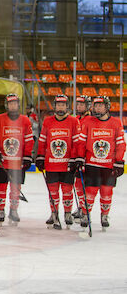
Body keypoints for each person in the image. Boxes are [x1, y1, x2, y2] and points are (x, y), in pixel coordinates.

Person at [76, 96, 125, 230]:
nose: (97, 108)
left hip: (108, 165)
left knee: (106, 191)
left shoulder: (116, 122)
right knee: (90, 191)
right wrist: (80, 157)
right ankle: (85, 214)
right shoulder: (88, 122)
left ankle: (104, 215)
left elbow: (120, 143)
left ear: (107, 107)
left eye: (100, 106)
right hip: (92, 163)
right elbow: (81, 142)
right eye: (95, 106)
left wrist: (119, 161)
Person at [35, 94, 81, 229]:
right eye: (58, 105)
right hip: (51, 164)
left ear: (67, 106)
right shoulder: (48, 121)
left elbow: (76, 142)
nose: (61, 107)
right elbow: (42, 141)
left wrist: (74, 158)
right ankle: (54, 213)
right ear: (54, 106)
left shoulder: (73, 121)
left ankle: (67, 213)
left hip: (67, 164)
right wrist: (40, 157)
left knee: (67, 191)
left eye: (63, 105)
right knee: (53, 191)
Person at [0, 93, 34, 226]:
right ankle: (0, 210)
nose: (13, 105)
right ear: (6, 105)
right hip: (1, 161)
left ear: (18, 105)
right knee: (0, 187)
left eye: (15, 103)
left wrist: (27, 156)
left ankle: (13, 210)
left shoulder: (25, 120)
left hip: (17, 162)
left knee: (16, 188)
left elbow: (28, 139)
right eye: (10, 103)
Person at [71, 95, 91, 221]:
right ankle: (81, 207)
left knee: (86, 185)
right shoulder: (74, 119)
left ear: (88, 106)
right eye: (77, 104)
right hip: (76, 157)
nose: (79, 107)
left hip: (87, 158)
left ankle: (85, 208)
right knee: (78, 184)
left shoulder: (91, 120)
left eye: (82, 104)